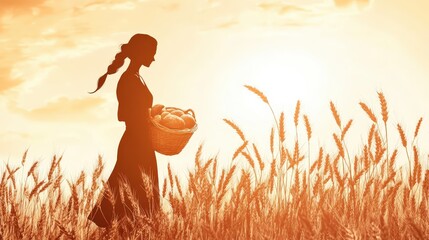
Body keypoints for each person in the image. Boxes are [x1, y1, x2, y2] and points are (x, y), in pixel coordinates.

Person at [87, 33, 160, 228]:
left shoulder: (137, 77)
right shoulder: (128, 79)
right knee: (131, 196)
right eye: (152, 53)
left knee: (140, 196)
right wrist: (150, 119)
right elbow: (126, 114)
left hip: (142, 142)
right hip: (135, 143)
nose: (153, 58)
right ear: (141, 52)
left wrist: (152, 117)